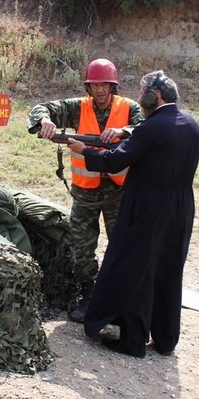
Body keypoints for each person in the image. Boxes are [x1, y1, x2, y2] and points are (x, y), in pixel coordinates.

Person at [66, 70, 199, 357]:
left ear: (157, 96)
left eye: (144, 94)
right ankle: (165, 339)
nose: (140, 100)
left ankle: (133, 341)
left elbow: (115, 161)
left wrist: (84, 150)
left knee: (134, 268)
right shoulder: (191, 124)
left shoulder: (151, 127)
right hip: (181, 206)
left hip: (149, 206)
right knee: (168, 270)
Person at [28, 58, 145, 323]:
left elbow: (145, 128)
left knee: (122, 246)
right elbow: (40, 108)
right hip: (85, 192)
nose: (100, 89)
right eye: (95, 84)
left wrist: (124, 130)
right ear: (88, 87)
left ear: (113, 86)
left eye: (105, 84)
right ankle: (87, 292)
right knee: (81, 248)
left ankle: (119, 296)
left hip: (119, 192)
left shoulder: (129, 108)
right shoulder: (77, 108)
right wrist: (45, 120)